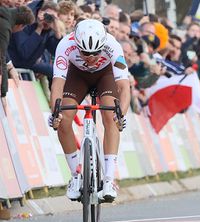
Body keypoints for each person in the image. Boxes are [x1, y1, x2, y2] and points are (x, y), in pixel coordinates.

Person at [48, 19, 130, 202]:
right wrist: (56, 112)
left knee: (111, 116)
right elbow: (57, 85)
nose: (91, 58)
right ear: (76, 43)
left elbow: (124, 87)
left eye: (96, 52)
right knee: (64, 118)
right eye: (85, 52)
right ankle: (75, 177)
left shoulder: (113, 46)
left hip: (105, 75)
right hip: (77, 76)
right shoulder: (65, 45)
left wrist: (120, 115)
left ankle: (109, 179)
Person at [0, 5, 35, 107]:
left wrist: (10, 67)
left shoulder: (3, 13)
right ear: (20, 25)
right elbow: (1, 57)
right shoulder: (4, 27)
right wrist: (3, 92)